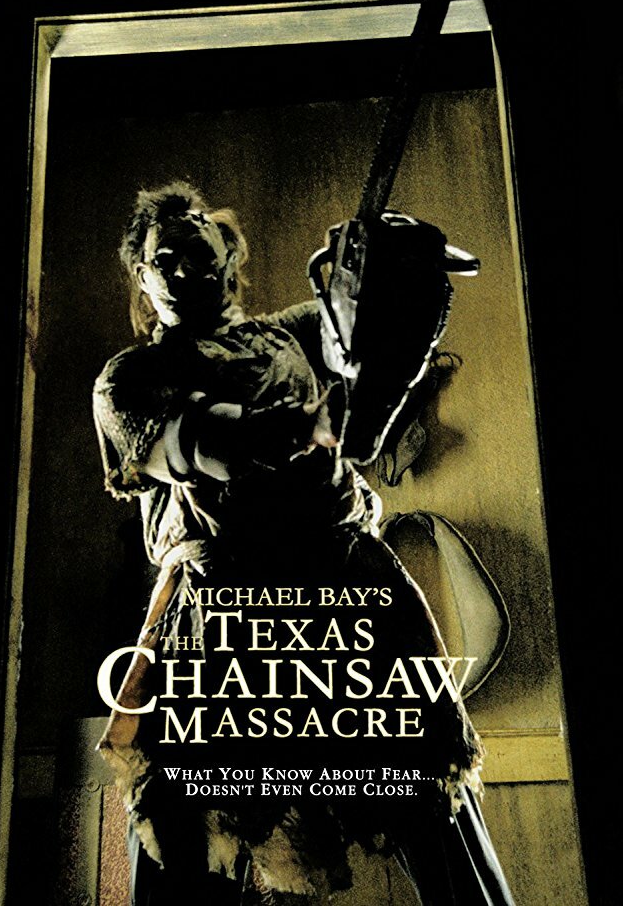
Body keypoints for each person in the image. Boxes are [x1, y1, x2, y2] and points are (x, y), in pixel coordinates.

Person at [93, 180, 515, 904]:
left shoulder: (297, 335)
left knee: (436, 810)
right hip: (220, 620)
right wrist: (305, 421)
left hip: (350, 594)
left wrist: (400, 273)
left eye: (199, 248)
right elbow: (204, 447)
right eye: (165, 259)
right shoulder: (130, 379)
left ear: (230, 252)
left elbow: (375, 379)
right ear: (142, 275)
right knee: (190, 839)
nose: (185, 268)